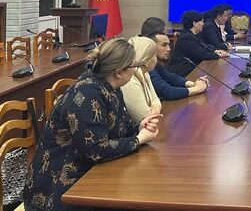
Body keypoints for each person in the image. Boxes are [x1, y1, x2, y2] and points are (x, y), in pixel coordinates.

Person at [23, 38, 161, 211]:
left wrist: (139, 128)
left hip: (86, 175)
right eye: (134, 67)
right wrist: (138, 140)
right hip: (56, 192)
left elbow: (117, 130)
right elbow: (95, 150)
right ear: (119, 72)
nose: (135, 71)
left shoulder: (111, 88)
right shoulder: (87, 95)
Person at [149, 32, 209, 100]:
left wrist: (193, 84)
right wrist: (197, 89)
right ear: (151, 48)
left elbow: (172, 78)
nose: (169, 49)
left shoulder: (156, 64)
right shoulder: (147, 67)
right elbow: (167, 92)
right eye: (164, 45)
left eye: (168, 45)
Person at [168, 10, 228, 76]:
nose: (203, 24)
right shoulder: (186, 38)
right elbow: (201, 54)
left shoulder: (195, 35)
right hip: (183, 73)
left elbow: (204, 46)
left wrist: (216, 51)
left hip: (192, 70)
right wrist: (218, 55)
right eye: (202, 21)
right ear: (194, 23)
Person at [120, 36, 162, 124]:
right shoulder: (129, 80)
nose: (156, 59)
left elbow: (155, 99)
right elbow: (144, 116)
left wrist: (154, 109)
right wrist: (155, 110)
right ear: (146, 61)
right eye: (154, 55)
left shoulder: (145, 72)